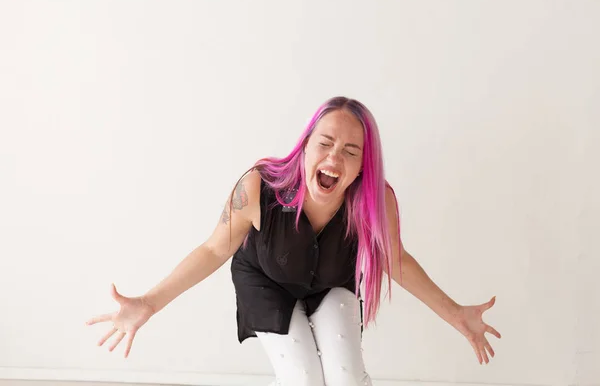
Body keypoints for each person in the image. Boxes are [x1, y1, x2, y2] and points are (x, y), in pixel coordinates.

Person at [86, 96, 501, 385]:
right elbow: (214, 249)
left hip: (329, 283)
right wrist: (149, 303)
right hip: (267, 282)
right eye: (325, 143)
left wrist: (455, 313)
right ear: (304, 148)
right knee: (304, 378)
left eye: (351, 152)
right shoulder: (257, 188)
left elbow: (398, 262)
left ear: (361, 168)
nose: (334, 159)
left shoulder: (376, 203)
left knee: (344, 379)